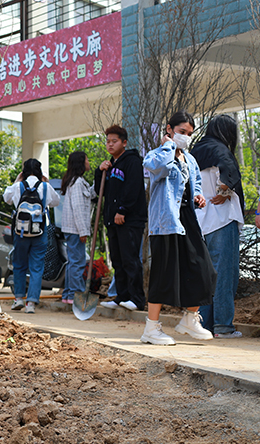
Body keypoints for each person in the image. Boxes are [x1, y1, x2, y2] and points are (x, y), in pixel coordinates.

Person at [142, 111, 216, 345]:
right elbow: (158, 168)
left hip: (187, 219)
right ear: (169, 129)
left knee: (204, 270)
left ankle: (189, 319)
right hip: (165, 220)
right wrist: (168, 146)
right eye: (182, 132)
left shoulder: (190, 159)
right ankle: (151, 328)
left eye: (189, 134)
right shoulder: (157, 154)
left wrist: (198, 196)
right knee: (163, 273)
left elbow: (196, 184)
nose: (186, 137)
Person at [192, 115, 244, 339]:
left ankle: (204, 325)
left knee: (206, 275)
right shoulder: (220, 149)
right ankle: (223, 326)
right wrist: (225, 190)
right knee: (225, 274)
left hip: (201, 220)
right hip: (222, 219)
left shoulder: (196, 150)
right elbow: (229, 172)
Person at [95, 125, 147, 312]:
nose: (110, 144)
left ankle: (137, 299)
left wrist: (123, 210)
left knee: (130, 259)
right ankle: (122, 296)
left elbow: (133, 188)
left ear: (124, 143)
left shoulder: (132, 162)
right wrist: (99, 171)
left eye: (114, 141)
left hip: (129, 220)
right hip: (113, 221)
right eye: (108, 141)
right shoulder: (110, 166)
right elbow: (99, 191)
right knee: (117, 261)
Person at [3, 158, 60, 314]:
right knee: (37, 267)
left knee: (19, 265)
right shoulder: (45, 187)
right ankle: (31, 303)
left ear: (24, 172)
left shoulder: (18, 186)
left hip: (20, 233)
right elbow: (56, 202)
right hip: (39, 232)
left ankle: (18, 299)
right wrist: (46, 182)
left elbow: (6, 198)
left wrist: (17, 180)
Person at [60, 151, 95, 305]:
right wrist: (83, 232)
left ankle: (68, 295)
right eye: (87, 159)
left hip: (71, 229)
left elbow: (90, 195)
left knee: (72, 262)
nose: (88, 162)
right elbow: (78, 209)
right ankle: (78, 295)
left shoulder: (75, 182)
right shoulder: (77, 183)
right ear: (81, 163)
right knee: (78, 263)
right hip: (75, 229)